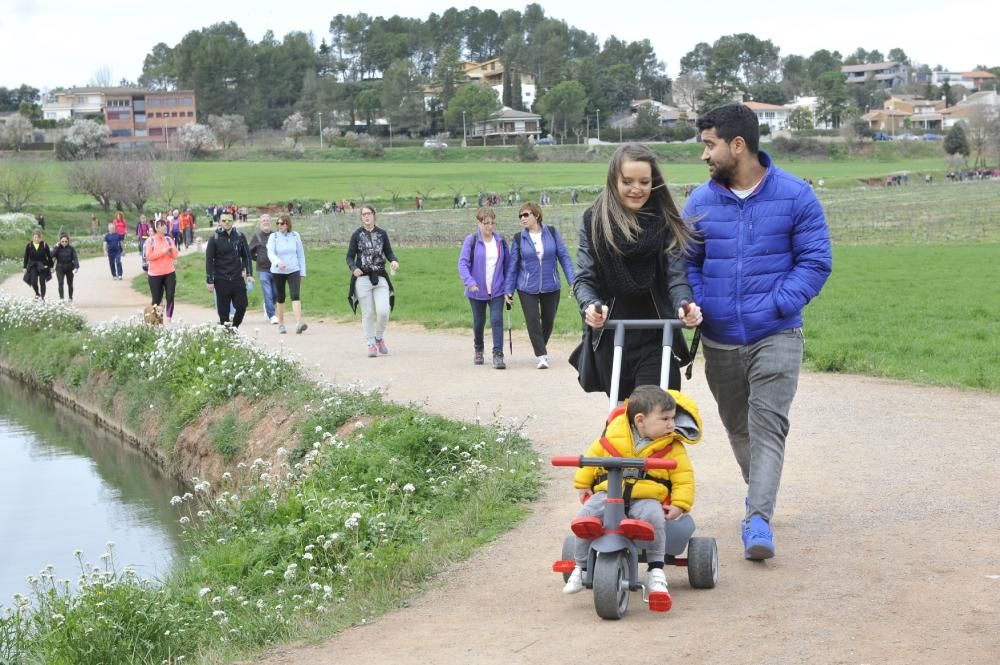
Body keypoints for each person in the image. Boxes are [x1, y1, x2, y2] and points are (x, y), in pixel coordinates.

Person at [684, 103, 832, 561]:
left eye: (709, 145)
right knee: (738, 429)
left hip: (778, 334)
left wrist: (777, 304)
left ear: (738, 145)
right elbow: (685, 262)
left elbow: (815, 261)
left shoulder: (796, 195)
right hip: (720, 338)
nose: (705, 155)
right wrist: (698, 303)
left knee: (768, 426)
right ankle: (761, 499)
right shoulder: (700, 202)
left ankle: (757, 520)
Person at [572, 143, 702, 400]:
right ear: (614, 181)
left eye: (644, 181)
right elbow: (585, 279)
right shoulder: (595, 222)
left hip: (657, 337)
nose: (636, 189)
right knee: (622, 420)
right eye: (628, 181)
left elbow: (677, 279)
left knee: (655, 414)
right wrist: (591, 306)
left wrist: (684, 305)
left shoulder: (666, 223)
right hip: (613, 337)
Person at [562, 386, 702, 606]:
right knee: (585, 518)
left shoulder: (672, 446)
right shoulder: (612, 436)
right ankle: (581, 567)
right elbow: (592, 457)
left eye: (672, 418)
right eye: (665, 419)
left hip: (646, 497)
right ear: (640, 420)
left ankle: (656, 570)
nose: (672, 425)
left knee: (655, 518)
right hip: (608, 494)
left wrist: (680, 504)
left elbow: (684, 476)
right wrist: (582, 483)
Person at [504, 202, 575, 369]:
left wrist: (572, 280)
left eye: (526, 215)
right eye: (520, 216)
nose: (523, 218)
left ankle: (539, 346)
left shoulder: (551, 232)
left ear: (536, 215)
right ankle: (542, 355)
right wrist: (509, 290)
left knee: (548, 320)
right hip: (526, 287)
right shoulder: (518, 238)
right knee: (533, 320)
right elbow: (513, 266)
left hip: (551, 285)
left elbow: (564, 256)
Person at [458, 207, 509, 369]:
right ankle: (478, 348)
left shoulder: (500, 241)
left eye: (492, 223)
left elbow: (508, 267)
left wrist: (509, 289)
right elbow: (463, 263)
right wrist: (469, 281)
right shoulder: (471, 240)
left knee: (497, 320)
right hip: (476, 291)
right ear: (478, 222)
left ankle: (498, 354)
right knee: (479, 322)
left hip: (497, 290)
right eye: (486, 223)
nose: (489, 226)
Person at [346, 205, 399, 358]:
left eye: (369, 213)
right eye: (363, 214)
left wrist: (394, 261)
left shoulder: (382, 234)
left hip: (380, 276)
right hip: (362, 278)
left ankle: (379, 337)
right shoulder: (356, 235)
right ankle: (371, 343)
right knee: (368, 313)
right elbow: (349, 256)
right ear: (361, 218)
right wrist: (353, 267)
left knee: (383, 310)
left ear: (374, 215)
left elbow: (389, 252)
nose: (366, 217)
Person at [205, 212, 254, 329]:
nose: (227, 223)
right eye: (224, 220)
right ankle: (227, 334)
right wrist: (209, 280)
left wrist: (249, 274)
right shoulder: (214, 238)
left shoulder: (240, 236)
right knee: (223, 313)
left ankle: (234, 327)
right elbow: (209, 260)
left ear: (233, 221)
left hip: (237, 278)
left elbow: (247, 256)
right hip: (221, 279)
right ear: (220, 222)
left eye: (229, 220)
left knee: (242, 305)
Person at [266, 215, 308, 334]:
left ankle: (299, 322)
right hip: (278, 271)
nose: (280, 226)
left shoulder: (295, 236)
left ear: (288, 224)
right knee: (281, 297)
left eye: (282, 223)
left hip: (293, 270)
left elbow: (300, 255)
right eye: (278, 223)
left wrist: (302, 272)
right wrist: (278, 262)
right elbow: (270, 252)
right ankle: (281, 324)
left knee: (295, 295)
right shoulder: (273, 237)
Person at [144, 218, 180, 324]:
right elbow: (148, 256)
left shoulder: (169, 239)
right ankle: (156, 322)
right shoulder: (150, 241)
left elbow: (175, 255)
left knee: (170, 296)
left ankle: (168, 320)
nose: (165, 227)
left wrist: (171, 251)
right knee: (156, 300)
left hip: (169, 272)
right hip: (155, 275)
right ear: (157, 228)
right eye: (162, 225)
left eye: (165, 225)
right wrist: (163, 251)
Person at [248, 213, 278, 324]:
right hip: (263, 270)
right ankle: (272, 315)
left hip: (276, 269)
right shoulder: (257, 236)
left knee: (276, 293)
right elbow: (249, 252)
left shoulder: (276, 235)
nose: (265, 222)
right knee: (267, 292)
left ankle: (267, 305)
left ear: (270, 222)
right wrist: (258, 258)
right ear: (260, 223)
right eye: (263, 220)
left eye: (267, 220)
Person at [22, 228, 53, 300]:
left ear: (40, 238)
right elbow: (26, 256)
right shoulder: (29, 245)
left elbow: (49, 256)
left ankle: (42, 297)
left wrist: (51, 266)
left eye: (37, 237)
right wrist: (24, 267)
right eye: (34, 237)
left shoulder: (45, 245)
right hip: (33, 265)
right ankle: (37, 293)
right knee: (33, 281)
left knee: (42, 281)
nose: (36, 239)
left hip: (43, 265)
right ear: (32, 237)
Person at [51, 232, 80, 303]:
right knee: (60, 283)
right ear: (60, 241)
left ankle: (70, 298)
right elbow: (51, 255)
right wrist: (56, 247)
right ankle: (61, 299)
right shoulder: (57, 248)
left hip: (70, 267)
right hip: (60, 267)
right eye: (62, 241)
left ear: (68, 241)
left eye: (66, 241)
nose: (64, 243)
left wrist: (76, 266)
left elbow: (75, 258)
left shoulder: (71, 249)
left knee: (70, 283)